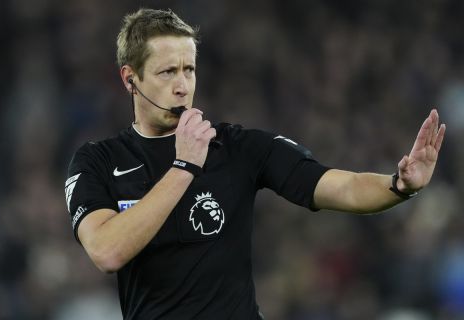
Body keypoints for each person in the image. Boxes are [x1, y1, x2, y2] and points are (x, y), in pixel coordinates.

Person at [64, 8, 446, 320]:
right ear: (130, 79)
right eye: (167, 72)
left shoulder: (237, 148)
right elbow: (107, 251)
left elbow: (336, 185)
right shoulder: (97, 161)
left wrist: (398, 186)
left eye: (189, 69)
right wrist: (184, 167)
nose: (182, 85)